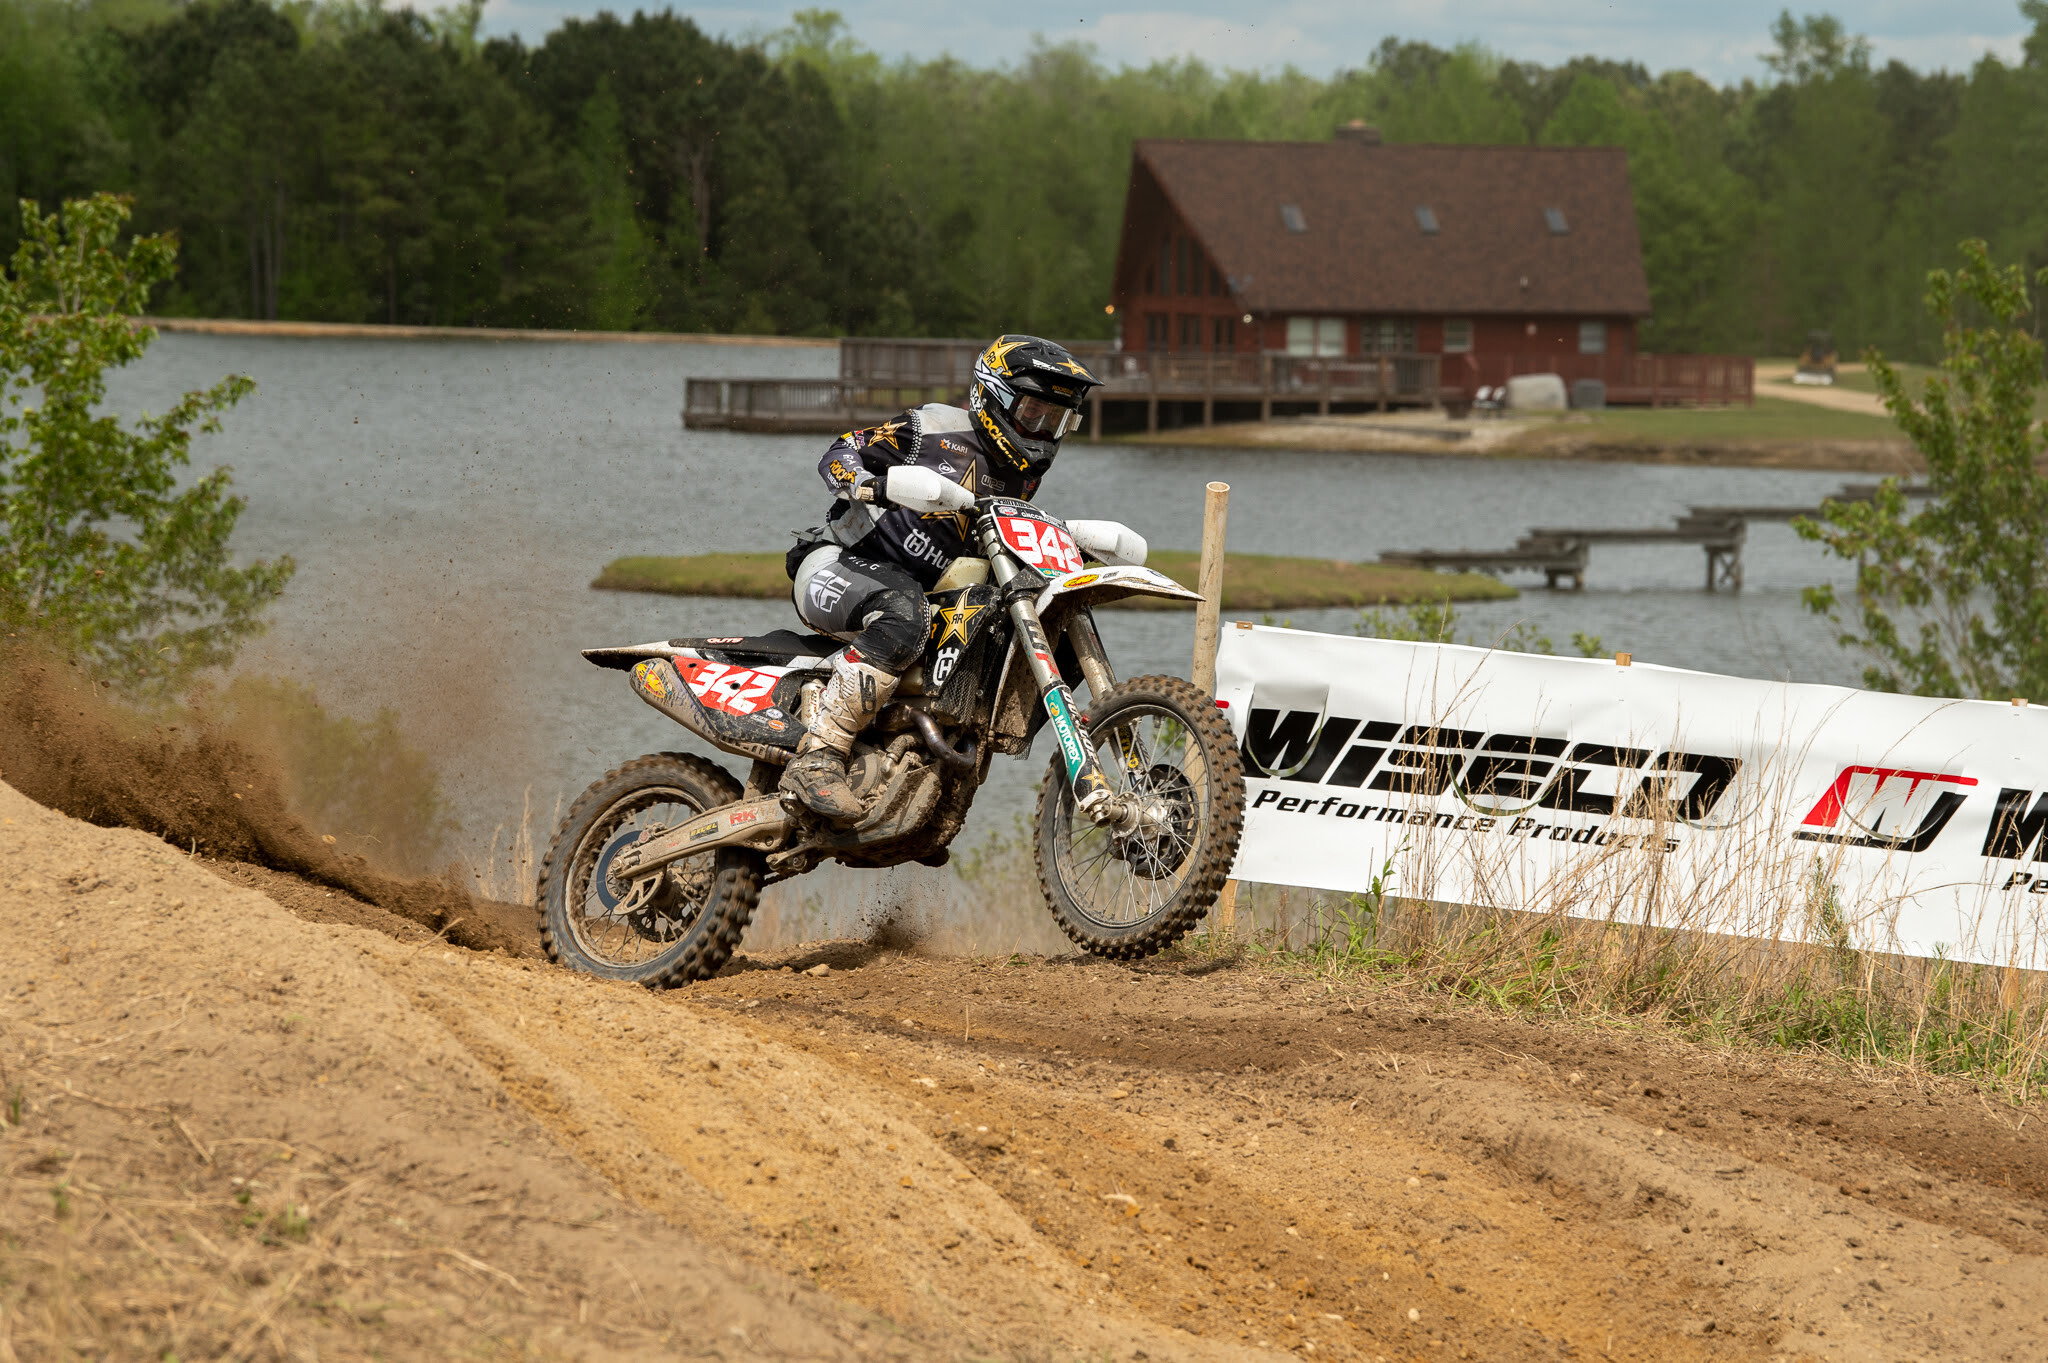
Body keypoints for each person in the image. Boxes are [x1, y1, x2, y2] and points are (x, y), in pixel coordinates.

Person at [780, 334, 1102, 818]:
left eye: (1056, 419)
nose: (1041, 428)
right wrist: (865, 484)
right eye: (1034, 412)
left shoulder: (1023, 477)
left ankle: (944, 777)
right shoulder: (928, 429)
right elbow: (843, 449)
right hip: (834, 564)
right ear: (992, 395)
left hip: (923, 593)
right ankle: (818, 758)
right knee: (903, 612)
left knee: (1027, 624)